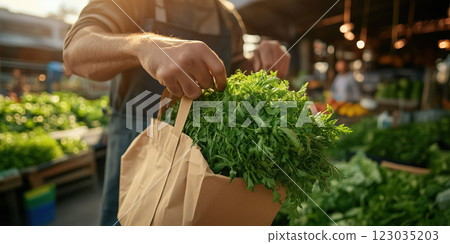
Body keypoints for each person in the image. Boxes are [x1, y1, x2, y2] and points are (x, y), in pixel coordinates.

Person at [63, 0, 290, 225]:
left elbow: (229, 75)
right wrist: (144, 45)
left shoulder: (227, 18)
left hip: (204, 161)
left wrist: (258, 64)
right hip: (137, 143)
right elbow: (75, 50)